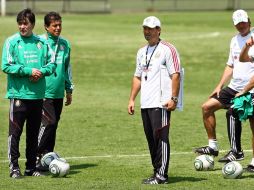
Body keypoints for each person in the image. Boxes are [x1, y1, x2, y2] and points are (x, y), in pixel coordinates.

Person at [1, 8, 56, 178]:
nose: (22, 26)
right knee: (15, 134)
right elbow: (6, 66)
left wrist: (40, 72)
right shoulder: (11, 42)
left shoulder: (42, 43)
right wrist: (28, 71)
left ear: (32, 24)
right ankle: (14, 168)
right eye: (20, 23)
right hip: (18, 96)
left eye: (25, 23)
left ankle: (31, 168)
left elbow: (52, 64)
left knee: (33, 135)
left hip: (37, 96)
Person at [194, 9, 254, 163]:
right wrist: (219, 85)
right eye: (238, 24)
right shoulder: (234, 40)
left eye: (243, 22)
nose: (241, 26)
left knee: (236, 115)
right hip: (234, 87)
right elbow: (230, 65)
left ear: (249, 21)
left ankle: (237, 152)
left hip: (250, 88)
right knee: (207, 107)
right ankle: (212, 146)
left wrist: (246, 90)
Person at [128, 16, 181, 184]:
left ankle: (162, 175)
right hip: (146, 103)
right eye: (145, 28)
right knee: (151, 139)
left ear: (159, 30)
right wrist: (131, 99)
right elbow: (137, 77)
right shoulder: (141, 51)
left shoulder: (168, 49)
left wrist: (173, 98)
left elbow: (176, 75)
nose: (148, 31)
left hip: (162, 103)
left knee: (161, 138)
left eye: (151, 28)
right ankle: (156, 171)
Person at [36, 11, 73, 170]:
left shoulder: (65, 44)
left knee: (53, 125)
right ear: (46, 27)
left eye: (59, 25)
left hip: (58, 92)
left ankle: (46, 158)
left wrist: (69, 88)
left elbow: (67, 68)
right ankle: (34, 155)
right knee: (48, 123)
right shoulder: (39, 43)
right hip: (43, 92)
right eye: (54, 25)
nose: (58, 28)